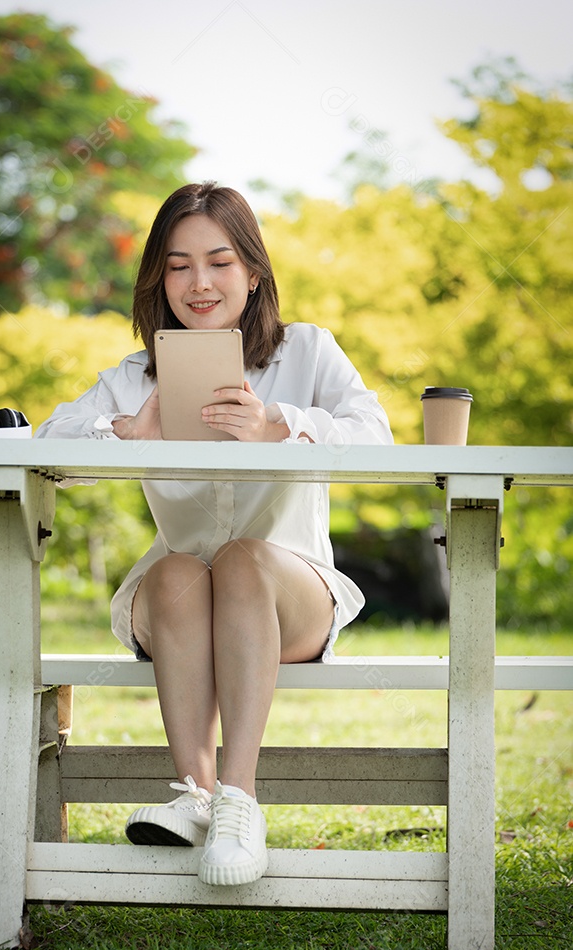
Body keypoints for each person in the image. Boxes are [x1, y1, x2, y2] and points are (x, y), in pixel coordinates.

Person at [36, 181, 393, 887]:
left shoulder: (307, 352)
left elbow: (376, 438)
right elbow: (49, 440)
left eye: (219, 261)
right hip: (177, 608)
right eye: (177, 265)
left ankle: (238, 799)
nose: (198, 282)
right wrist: (126, 429)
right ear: (157, 278)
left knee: (241, 559)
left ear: (253, 271)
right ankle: (197, 796)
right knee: (172, 567)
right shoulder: (134, 378)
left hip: (287, 597)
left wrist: (278, 424)